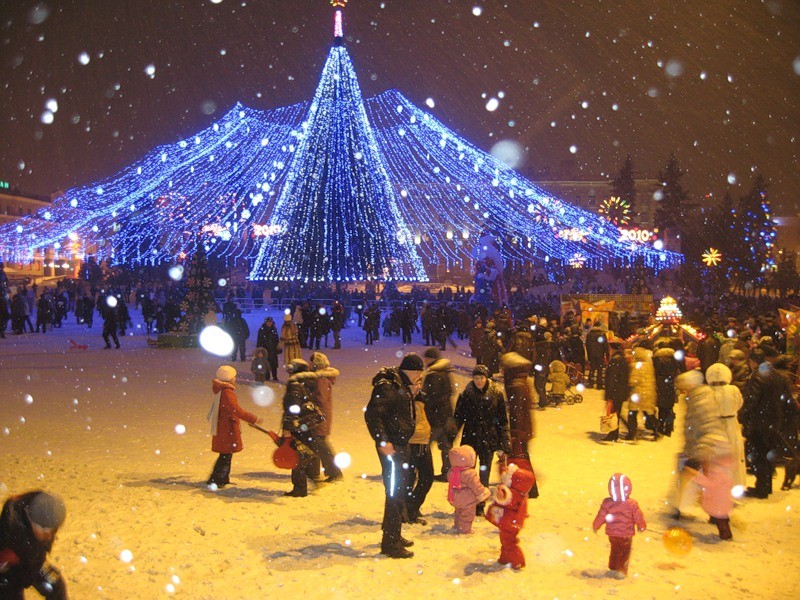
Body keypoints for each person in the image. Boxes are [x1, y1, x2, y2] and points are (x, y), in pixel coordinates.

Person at [364, 353, 423, 558]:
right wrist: (383, 441)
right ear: (412, 371)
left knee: (399, 491)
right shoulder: (389, 386)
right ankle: (390, 544)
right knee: (395, 492)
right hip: (392, 447)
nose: (419, 377)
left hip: (400, 444)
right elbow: (373, 415)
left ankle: (393, 535)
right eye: (418, 372)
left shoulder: (401, 385)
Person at [453, 364, 512, 516]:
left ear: (487, 378)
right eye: (476, 378)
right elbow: (458, 417)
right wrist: (450, 434)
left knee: (484, 473)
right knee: (468, 474)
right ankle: (468, 502)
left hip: (488, 438)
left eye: (481, 378)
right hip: (470, 439)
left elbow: (502, 421)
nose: (478, 381)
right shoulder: (466, 395)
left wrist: (504, 443)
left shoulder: (496, 394)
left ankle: (480, 503)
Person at [741, 350, 794, 498]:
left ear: (753, 361)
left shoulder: (757, 376)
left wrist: (742, 415)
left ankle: (761, 489)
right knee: (768, 454)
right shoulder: (778, 375)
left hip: (759, 421)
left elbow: (751, 400)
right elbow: (786, 398)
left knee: (760, 455)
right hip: (775, 420)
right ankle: (767, 486)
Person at [0, 491, 68, 599]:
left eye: (52, 529)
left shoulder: (45, 510)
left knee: (56, 587)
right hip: (10, 572)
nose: (48, 534)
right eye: (43, 528)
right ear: (30, 518)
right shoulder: (11, 530)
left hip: (34, 562)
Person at [280, 359, 333, 497]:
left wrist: (288, 427)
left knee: (297, 456)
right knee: (307, 452)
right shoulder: (308, 383)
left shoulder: (295, 386)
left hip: (298, 425)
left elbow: (293, 407)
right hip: (307, 424)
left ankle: (300, 488)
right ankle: (313, 478)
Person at [206, 366, 261, 488]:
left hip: (224, 426)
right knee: (225, 455)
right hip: (227, 428)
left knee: (225, 454)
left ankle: (220, 478)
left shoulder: (222, 390)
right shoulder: (227, 393)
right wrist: (252, 418)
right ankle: (218, 479)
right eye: (234, 377)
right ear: (229, 379)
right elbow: (236, 410)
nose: (235, 379)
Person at [592, 473, 646, 579]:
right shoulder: (632, 504)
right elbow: (638, 517)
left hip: (613, 534)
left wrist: (596, 525)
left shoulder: (607, 503)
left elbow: (601, 516)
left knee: (615, 549)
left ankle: (613, 566)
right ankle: (621, 570)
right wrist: (641, 526)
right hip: (626, 534)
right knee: (624, 551)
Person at [501, 352, 539, 498]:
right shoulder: (521, 381)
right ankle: (529, 487)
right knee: (523, 458)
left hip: (520, 430)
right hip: (524, 429)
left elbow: (517, 411)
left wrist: (515, 434)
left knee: (521, 459)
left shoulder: (516, 385)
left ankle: (529, 487)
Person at [485, 460, 536, 570]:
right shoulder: (520, 493)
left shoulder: (515, 495)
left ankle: (517, 561)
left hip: (510, 524)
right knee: (505, 541)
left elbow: (507, 498)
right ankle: (505, 558)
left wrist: (501, 494)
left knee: (509, 543)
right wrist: (503, 468)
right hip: (510, 523)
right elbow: (505, 480)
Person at [705, 363, 747, 488]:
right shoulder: (733, 390)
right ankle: (734, 483)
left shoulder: (706, 391)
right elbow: (739, 404)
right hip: (731, 424)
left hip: (713, 425)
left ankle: (716, 485)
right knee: (734, 455)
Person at [307, 352, 343, 484]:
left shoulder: (320, 379)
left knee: (320, 444)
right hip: (321, 416)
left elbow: (320, 399)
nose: (310, 364)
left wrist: (309, 400)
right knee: (318, 443)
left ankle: (334, 471)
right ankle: (316, 471)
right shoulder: (320, 378)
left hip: (319, 417)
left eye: (312, 362)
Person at [421, 348, 456, 482]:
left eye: (426, 358)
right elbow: (450, 392)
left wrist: (423, 399)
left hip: (435, 417)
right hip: (446, 416)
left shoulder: (433, 375)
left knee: (424, 446)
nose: (425, 360)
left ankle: (422, 471)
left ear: (432, 359)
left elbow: (431, 397)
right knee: (446, 446)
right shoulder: (445, 372)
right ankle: (447, 472)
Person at [447, 445, 491, 534]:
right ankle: (465, 530)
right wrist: (483, 493)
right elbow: (476, 486)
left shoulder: (452, 471)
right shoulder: (470, 473)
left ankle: (457, 525)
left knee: (458, 513)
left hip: (455, 498)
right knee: (467, 516)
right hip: (467, 501)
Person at [626, 346, 658, 441]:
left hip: (638, 393)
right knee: (648, 413)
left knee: (632, 414)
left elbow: (633, 380)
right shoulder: (649, 365)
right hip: (648, 393)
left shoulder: (635, 365)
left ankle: (631, 433)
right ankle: (657, 429)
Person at [602, 341, 630, 442]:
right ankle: (615, 433)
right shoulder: (622, 359)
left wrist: (609, 394)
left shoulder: (615, 360)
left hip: (615, 391)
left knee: (614, 413)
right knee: (616, 413)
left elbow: (611, 378)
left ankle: (614, 434)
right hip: (621, 390)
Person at [585, 320, 610, 389]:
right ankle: (599, 384)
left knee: (592, 368)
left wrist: (589, 354)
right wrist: (607, 355)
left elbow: (587, 345)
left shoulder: (589, 334)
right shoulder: (602, 334)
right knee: (600, 369)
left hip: (592, 354)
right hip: (600, 354)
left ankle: (590, 383)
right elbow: (605, 345)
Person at [256, 316, 280, 381]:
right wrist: (259, 349)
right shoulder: (262, 330)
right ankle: (267, 376)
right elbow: (259, 340)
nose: (269, 323)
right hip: (265, 349)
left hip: (273, 349)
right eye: (268, 322)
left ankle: (275, 376)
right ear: (266, 322)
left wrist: (278, 347)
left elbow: (276, 339)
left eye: (270, 322)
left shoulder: (274, 329)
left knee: (273, 363)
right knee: (266, 363)